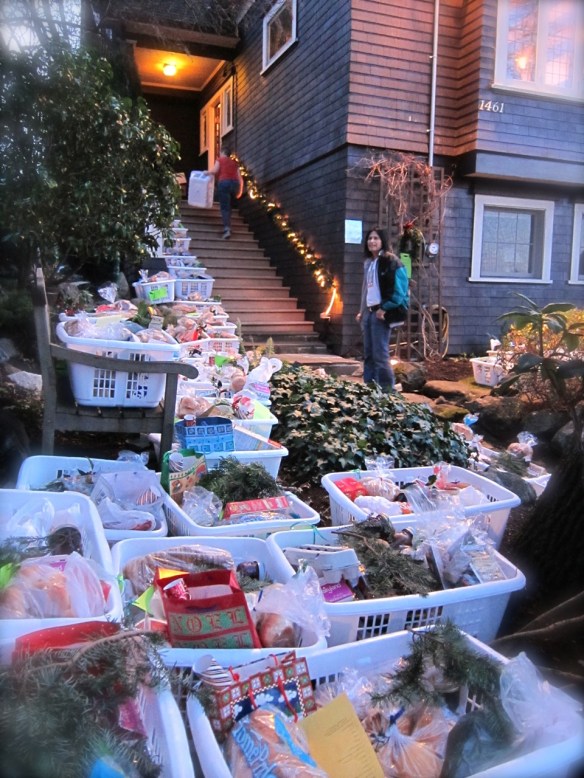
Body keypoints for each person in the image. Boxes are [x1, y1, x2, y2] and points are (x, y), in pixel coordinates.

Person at [356, 227, 409, 391]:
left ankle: (387, 391)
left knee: (380, 355)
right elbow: (368, 290)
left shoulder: (391, 261)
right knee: (369, 354)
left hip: (381, 314)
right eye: (369, 238)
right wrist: (362, 311)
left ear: (382, 241)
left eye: (376, 238)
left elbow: (399, 290)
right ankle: (370, 389)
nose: (372, 241)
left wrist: (385, 308)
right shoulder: (369, 263)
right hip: (370, 312)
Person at [207, 144, 243, 239]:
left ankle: (227, 229)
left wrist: (206, 172)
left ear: (222, 152)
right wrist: (240, 191)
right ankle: (229, 226)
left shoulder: (220, 160)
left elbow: (214, 171)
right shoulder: (235, 163)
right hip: (234, 185)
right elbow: (240, 178)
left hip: (224, 183)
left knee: (225, 207)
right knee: (230, 206)